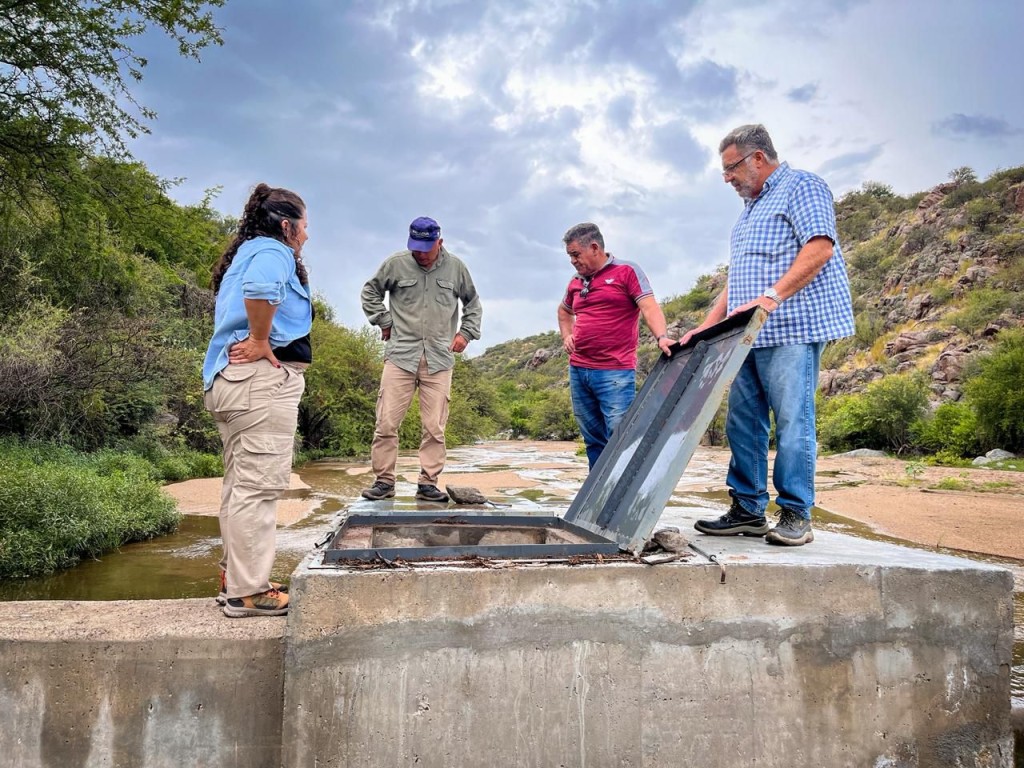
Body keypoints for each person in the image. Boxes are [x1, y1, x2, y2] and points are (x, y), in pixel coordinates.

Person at [687, 124, 854, 546]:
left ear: (758, 157)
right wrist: (706, 326)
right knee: (743, 422)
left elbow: (820, 247)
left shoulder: (802, 186)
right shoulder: (749, 210)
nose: (727, 178)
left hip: (791, 328)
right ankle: (748, 510)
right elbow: (738, 279)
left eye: (731, 168)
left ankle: (796, 513)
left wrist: (772, 296)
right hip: (746, 337)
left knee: (793, 420)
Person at [202, 184, 312, 617]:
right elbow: (262, 287)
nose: (306, 235)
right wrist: (262, 340)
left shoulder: (246, 250)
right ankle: (248, 593)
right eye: (304, 226)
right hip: (257, 384)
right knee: (258, 489)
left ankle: (235, 579)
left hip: (230, 382)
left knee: (239, 487)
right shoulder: (272, 251)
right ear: (286, 225)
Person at [360, 216, 482, 502]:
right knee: (386, 423)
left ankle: (428, 483)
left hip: (439, 359)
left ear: (440, 242)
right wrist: (383, 320)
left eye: (426, 248)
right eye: (416, 248)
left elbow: (473, 303)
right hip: (400, 355)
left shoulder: (456, 268)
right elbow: (370, 292)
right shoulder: (396, 263)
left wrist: (465, 333)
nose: (421, 254)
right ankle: (384, 482)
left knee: (434, 428)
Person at [557, 222, 675, 469]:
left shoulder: (626, 271)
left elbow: (649, 306)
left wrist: (662, 337)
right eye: (570, 256)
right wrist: (567, 335)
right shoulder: (576, 281)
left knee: (620, 438)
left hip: (615, 372)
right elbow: (564, 311)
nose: (573, 261)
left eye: (576, 254)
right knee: (593, 440)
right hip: (579, 370)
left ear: (594, 247)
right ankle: (597, 490)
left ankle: (624, 489)